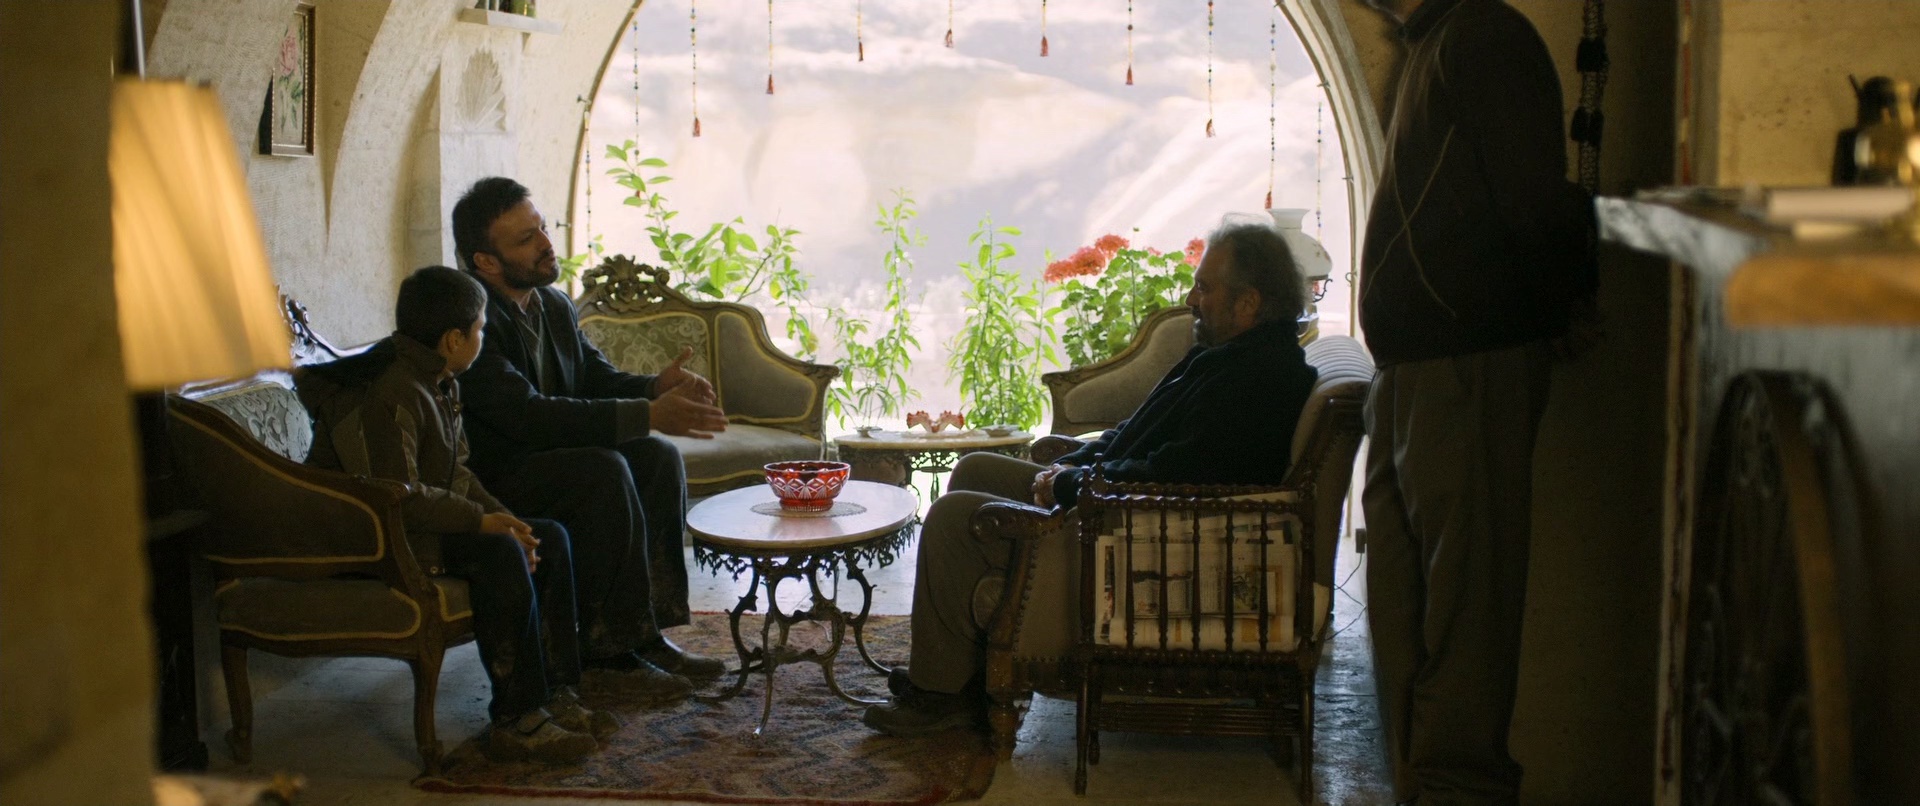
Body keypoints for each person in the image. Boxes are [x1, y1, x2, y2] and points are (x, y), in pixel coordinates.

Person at [863, 221, 1320, 737]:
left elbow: (1179, 473)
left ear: (1248, 303)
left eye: (1204, 288)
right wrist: (1077, 461)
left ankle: (939, 697)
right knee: (976, 468)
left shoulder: (1260, 380)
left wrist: (1072, 483)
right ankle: (963, 672)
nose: (1191, 300)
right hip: (1111, 501)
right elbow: (1137, 434)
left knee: (951, 517)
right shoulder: (1229, 357)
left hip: (1123, 529)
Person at [1355, 1, 1597, 803]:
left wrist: (1564, 307)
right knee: (1407, 619)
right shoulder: (1432, 45)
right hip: (1415, 373)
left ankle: (1458, 791)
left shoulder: (1486, 37)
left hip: (1466, 367)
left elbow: (1534, 204)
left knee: (1466, 624)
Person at [297, 266, 617, 765]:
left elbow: (458, 473)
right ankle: (517, 719)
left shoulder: (439, 379)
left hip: (420, 524)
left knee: (546, 537)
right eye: (481, 330)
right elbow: (398, 496)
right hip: (378, 539)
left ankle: (556, 695)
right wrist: (483, 524)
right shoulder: (391, 389)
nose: (482, 339)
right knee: (498, 551)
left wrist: (508, 519)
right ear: (453, 339)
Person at [449, 177, 732, 701]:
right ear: (485, 261)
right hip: (498, 475)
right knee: (603, 470)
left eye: (542, 228)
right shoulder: (472, 319)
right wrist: (648, 413)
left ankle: (646, 634)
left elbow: (595, 378)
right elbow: (527, 416)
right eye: (526, 239)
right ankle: (609, 656)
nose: (546, 244)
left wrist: (654, 387)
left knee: (656, 456)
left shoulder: (553, 305)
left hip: (553, 458)